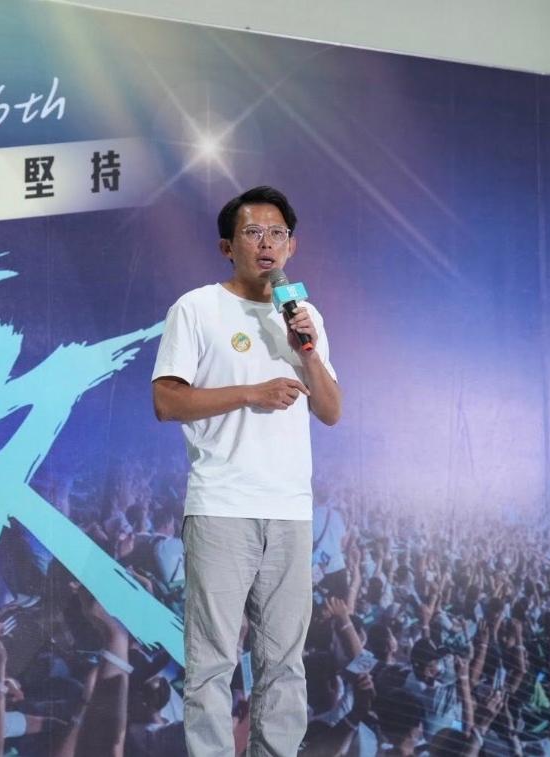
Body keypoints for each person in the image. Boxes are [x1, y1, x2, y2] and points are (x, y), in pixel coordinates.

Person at [151, 186, 341, 755]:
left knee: (284, 664)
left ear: (292, 246)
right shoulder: (196, 308)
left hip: (290, 511)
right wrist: (251, 392)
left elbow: (331, 410)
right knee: (212, 662)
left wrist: (307, 352)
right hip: (222, 506)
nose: (267, 244)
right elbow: (166, 401)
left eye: (277, 233)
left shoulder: (304, 316)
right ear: (227, 246)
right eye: (253, 233)